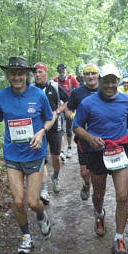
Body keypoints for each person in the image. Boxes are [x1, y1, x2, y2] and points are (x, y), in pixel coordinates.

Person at [0, 57, 54, 254]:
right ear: (8, 75)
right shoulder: (1, 97)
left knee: (33, 202)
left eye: (20, 73)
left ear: (27, 75)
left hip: (34, 154)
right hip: (12, 155)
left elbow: (49, 119)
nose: (17, 77)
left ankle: (41, 215)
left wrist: (41, 132)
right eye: (13, 73)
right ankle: (26, 237)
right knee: (17, 201)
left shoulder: (39, 95)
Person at [73, 64, 128, 254]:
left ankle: (119, 238)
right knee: (99, 194)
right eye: (106, 81)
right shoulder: (87, 103)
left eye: (113, 81)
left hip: (119, 151)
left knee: (123, 197)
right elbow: (76, 126)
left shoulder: (127, 101)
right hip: (97, 153)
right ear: (100, 81)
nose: (110, 85)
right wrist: (90, 138)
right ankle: (99, 215)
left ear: (118, 81)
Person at [65, 63, 100, 201]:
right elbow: (67, 109)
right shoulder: (77, 92)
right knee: (85, 172)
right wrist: (73, 116)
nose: (90, 76)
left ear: (98, 75)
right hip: (83, 138)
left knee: (99, 172)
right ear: (83, 76)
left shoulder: (106, 89)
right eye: (87, 74)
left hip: (102, 136)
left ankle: (98, 196)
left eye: (93, 73)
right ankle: (87, 184)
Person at [34, 62, 69, 198]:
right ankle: (43, 188)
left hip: (55, 126)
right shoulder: (31, 89)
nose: (37, 75)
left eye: (40, 72)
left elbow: (68, 101)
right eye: (35, 72)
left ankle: (55, 177)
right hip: (38, 128)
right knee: (41, 157)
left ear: (46, 73)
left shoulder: (55, 87)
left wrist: (58, 111)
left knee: (55, 156)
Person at [54, 64, 80, 159]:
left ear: (66, 70)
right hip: (59, 106)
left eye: (63, 70)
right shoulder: (55, 81)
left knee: (69, 129)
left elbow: (78, 90)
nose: (62, 73)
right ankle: (62, 151)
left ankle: (69, 147)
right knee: (60, 129)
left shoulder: (71, 79)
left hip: (70, 106)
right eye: (60, 71)